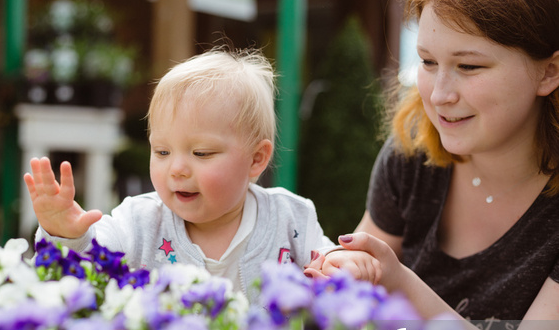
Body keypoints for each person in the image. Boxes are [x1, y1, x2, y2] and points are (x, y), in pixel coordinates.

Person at [309, 0, 559, 330]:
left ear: (549, 71)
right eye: (426, 61)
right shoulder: (411, 155)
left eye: (469, 66)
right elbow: (357, 327)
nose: (439, 95)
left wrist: (399, 289)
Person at [24, 47, 380, 302]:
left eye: (201, 153)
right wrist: (65, 233)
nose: (176, 167)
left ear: (257, 159)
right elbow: (92, 257)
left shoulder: (290, 217)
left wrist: (341, 263)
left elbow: (323, 260)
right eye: (162, 151)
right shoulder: (141, 220)